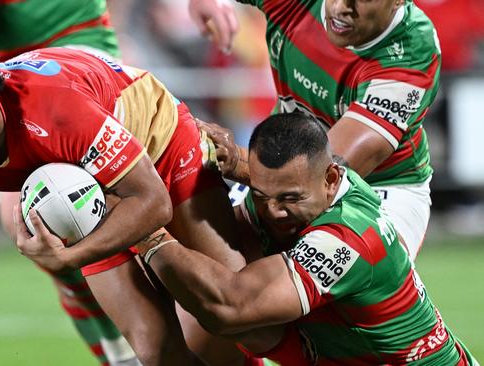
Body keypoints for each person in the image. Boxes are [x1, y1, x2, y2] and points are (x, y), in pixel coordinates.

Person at [0, 30, 256, 366]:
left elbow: (152, 201)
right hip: (83, 188)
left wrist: (69, 257)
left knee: (228, 319)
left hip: (159, 149)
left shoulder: (56, 112)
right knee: (157, 352)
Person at [127, 113, 478, 365]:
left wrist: (146, 227)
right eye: (263, 194)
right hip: (336, 353)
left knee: (237, 308)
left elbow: (230, 308)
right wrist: (236, 167)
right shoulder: (307, 187)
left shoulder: (350, 237)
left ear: (330, 179)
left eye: (291, 199)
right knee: (242, 313)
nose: (275, 211)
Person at [192, 0, 441, 260]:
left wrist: (234, 161)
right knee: (208, 265)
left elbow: (322, 177)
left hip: (380, 187)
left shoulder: (411, 47)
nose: (340, 7)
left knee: (321, 285)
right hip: (277, 161)